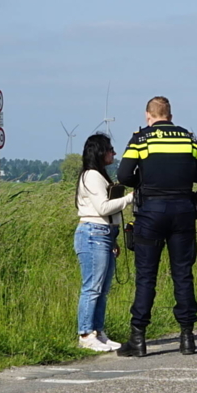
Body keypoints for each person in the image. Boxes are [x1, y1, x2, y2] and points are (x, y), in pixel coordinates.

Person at [116, 96, 197, 357]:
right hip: (183, 212)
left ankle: (138, 339)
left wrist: (144, 183)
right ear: (169, 114)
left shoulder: (141, 139)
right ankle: (187, 337)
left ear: (149, 115)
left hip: (150, 213)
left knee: (146, 276)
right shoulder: (189, 139)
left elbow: (123, 176)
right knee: (183, 274)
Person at [74, 133, 134, 352]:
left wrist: (114, 238)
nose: (113, 153)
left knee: (103, 287)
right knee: (92, 287)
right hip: (94, 233)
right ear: (100, 152)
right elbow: (103, 208)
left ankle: (98, 331)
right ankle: (86, 333)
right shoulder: (91, 176)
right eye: (110, 149)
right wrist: (129, 198)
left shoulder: (99, 175)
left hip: (105, 234)